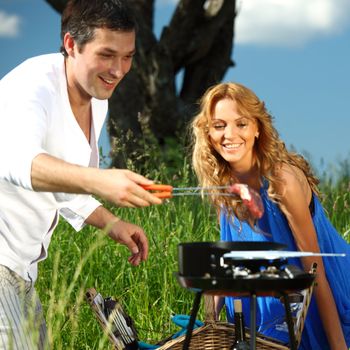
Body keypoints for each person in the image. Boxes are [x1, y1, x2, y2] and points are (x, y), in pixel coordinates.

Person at [0, 0, 163, 348]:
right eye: (107, 54)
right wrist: (102, 180)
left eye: (128, 56)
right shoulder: (32, 88)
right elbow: (20, 164)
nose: (118, 70)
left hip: (22, 270)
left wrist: (112, 223)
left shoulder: (96, 96)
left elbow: (66, 184)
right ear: (72, 44)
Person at [191, 82, 350, 349]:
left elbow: (315, 270)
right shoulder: (223, 181)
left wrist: (338, 345)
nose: (230, 135)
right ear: (207, 132)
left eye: (241, 124)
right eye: (219, 126)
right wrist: (208, 322)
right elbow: (229, 260)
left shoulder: (282, 181)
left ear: (257, 128)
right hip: (265, 311)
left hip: (324, 297)